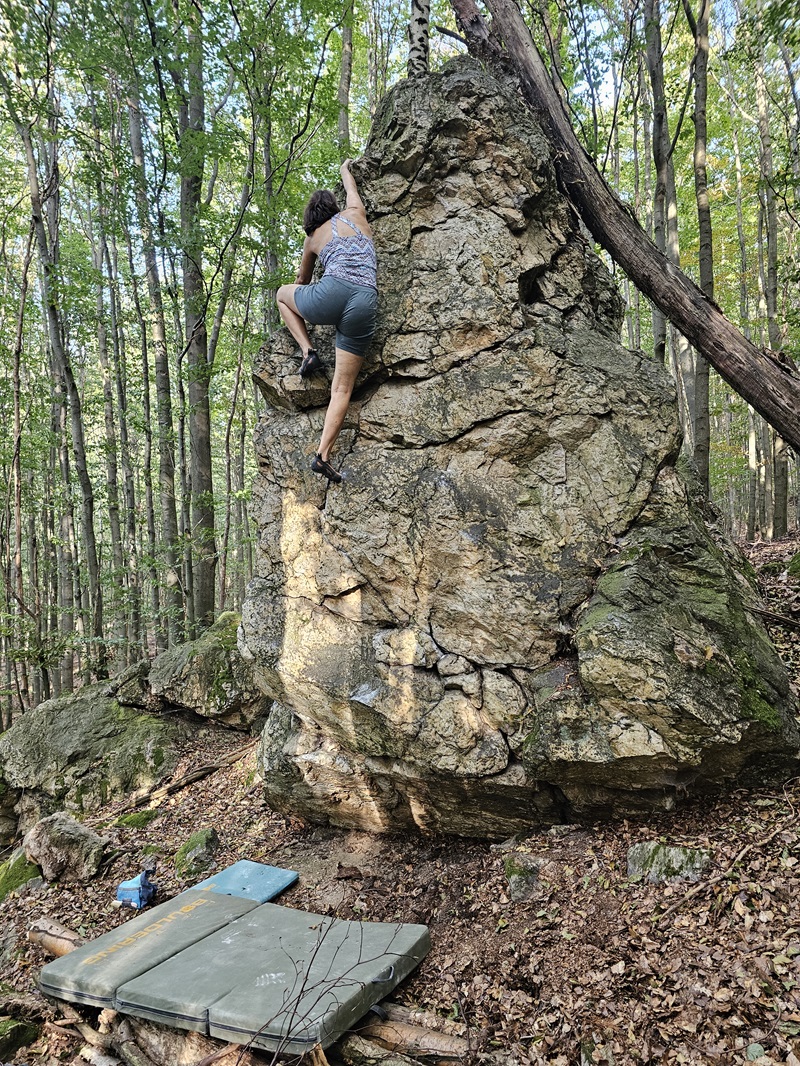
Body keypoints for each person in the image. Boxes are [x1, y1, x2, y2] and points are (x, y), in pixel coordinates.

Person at [275, 160, 378, 484]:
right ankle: (322, 455)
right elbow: (351, 189)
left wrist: (306, 271)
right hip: (365, 300)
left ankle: (308, 352)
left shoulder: (313, 238)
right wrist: (345, 168)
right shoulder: (356, 214)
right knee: (342, 387)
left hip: (330, 295)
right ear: (334, 206)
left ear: (310, 217)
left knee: (281, 294)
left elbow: (302, 281)